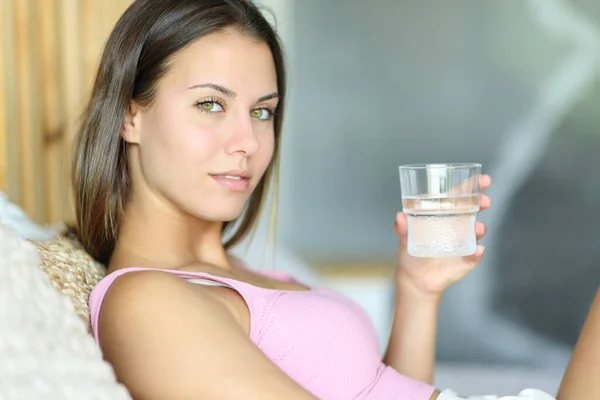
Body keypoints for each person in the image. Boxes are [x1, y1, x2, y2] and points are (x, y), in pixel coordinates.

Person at [72, 1, 596, 399]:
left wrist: (417, 292)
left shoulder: (243, 275)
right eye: (211, 104)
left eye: (262, 112)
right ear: (129, 114)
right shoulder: (144, 302)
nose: (248, 143)